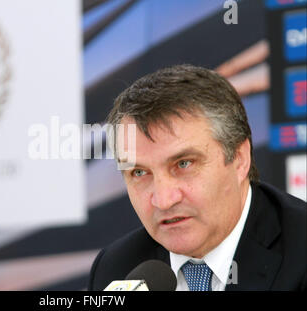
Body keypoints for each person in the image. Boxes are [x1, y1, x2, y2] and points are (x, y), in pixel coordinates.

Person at [88, 64, 306, 291]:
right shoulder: (115, 269)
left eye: (183, 164)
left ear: (240, 159)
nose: (163, 200)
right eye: (139, 173)